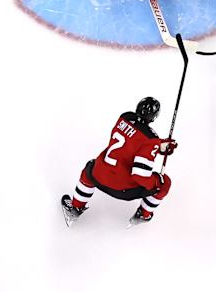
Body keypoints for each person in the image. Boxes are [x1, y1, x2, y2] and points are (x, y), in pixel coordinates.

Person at [61, 97, 178, 227]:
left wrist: (159, 145)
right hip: (123, 189)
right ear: (155, 117)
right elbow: (140, 175)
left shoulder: (124, 118)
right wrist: (156, 180)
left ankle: (75, 208)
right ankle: (143, 215)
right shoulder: (151, 139)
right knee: (165, 183)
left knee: (89, 170)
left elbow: (133, 139)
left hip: (99, 176)